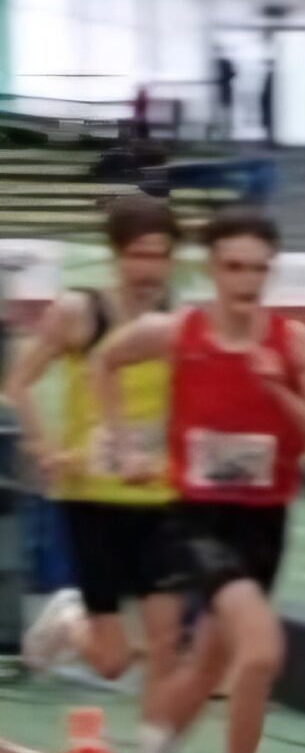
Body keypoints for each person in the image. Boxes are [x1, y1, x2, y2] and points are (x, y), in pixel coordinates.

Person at [91, 208, 305, 753]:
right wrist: (121, 443)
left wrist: (280, 391)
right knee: (261, 649)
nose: (246, 282)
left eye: (259, 269)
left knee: (209, 661)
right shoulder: (176, 331)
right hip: (197, 518)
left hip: (265, 521)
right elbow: (104, 361)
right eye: (234, 267)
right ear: (211, 268)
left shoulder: (297, 345)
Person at [7, 195, 180, 709]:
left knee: (167, 637)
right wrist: (43, 448)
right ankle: (68, 619)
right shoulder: (80, 313)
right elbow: (18, 384)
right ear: (115, 254)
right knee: (112, 663)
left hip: (157, 494)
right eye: (139, 255)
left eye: (160, 256)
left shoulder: (177, 321)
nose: (150, 269)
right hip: (89, 495)